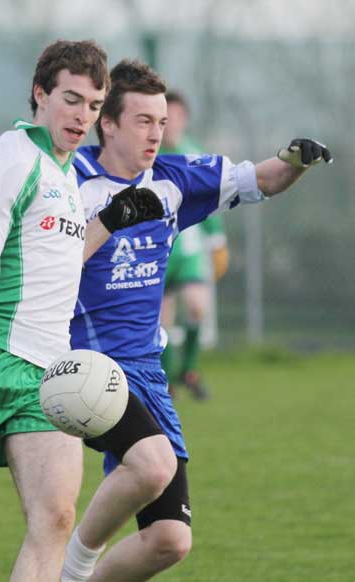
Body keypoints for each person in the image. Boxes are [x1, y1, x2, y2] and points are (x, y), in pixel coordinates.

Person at [61, 59, 333, 582]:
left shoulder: (174, 179)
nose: (156, 134)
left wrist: (295, 160)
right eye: (143, 121)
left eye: (162, 122)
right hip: (83, 366)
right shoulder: (67, 180)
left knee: (169, 540)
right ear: (108, 123)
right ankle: (71, 568)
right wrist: (107, 219)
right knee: (153, 465)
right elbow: (46, 269)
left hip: (146, 371)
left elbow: (263, 179)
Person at [0, 41, 164, 582]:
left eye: (94, 106)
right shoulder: (13, 159)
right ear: (40, 94)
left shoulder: (67, 174)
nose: (82, 116)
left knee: (55, 518)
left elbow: (63, 262)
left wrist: (110, 220)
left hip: (45, 378)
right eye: (71, 100)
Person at [160, 91, 230, 400]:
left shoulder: (195, 155)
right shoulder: (148, 156)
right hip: (158, 252)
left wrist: (217, 242)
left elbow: (210, 202)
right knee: (160, 323)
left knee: (197, 308)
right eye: (164, 118)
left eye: (175, 117)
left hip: (188, 254)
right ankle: (166, 381)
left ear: (184, 120)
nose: (170, 124)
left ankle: (188, 370)